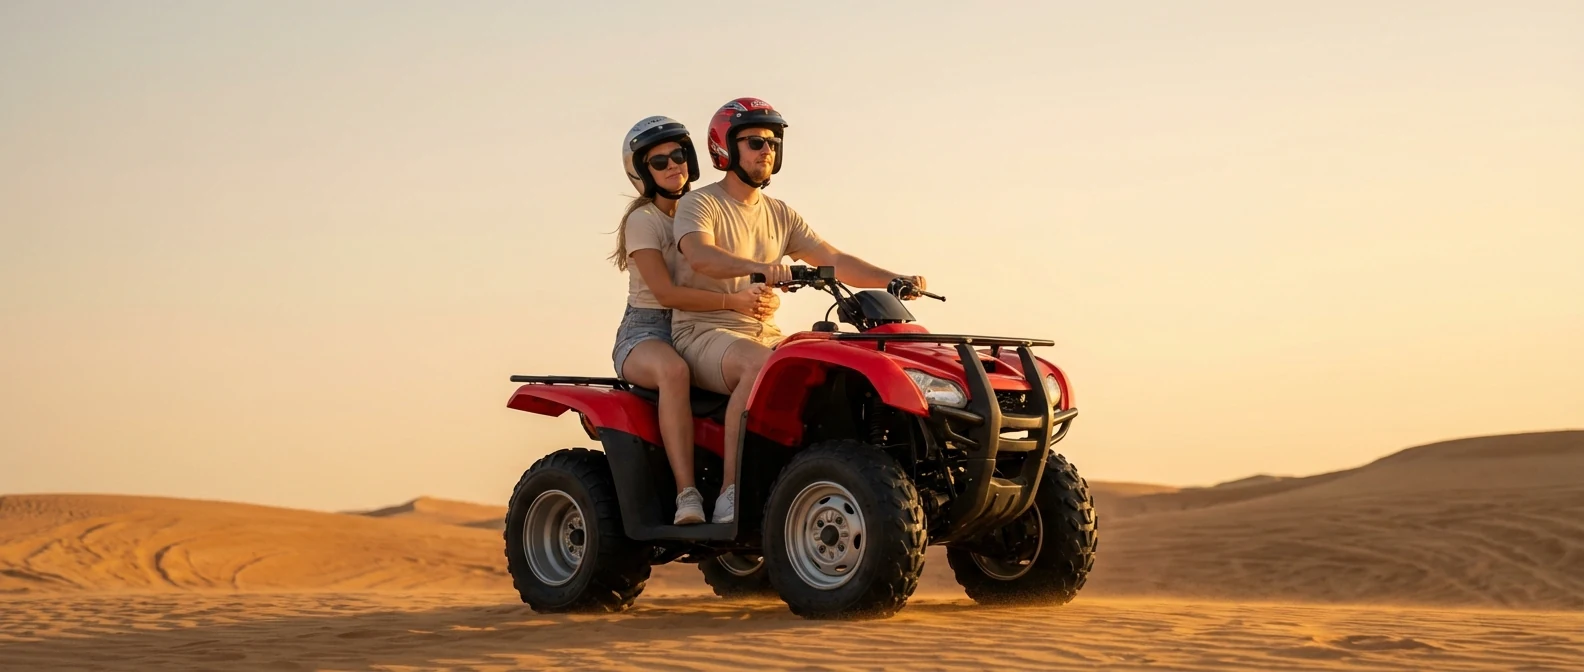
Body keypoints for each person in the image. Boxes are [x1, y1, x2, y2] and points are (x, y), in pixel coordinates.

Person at [671, 98, 926, 523]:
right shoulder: (700, 205)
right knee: (762, 368)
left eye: (773, 143)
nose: (766, 150)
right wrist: (761, 269)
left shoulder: (780, 214)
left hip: (761, 331)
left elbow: (834, 258)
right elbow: (700, 256)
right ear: (726, 149)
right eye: (754, 142)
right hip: (702, 331)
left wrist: (892, 278)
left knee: (830, 363)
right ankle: (731, 495)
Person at [610, 115, 778, 525]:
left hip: (704, 323)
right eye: (659, 162)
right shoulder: (644, 220)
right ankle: (687, 494)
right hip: (648, 328)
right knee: (673, 371)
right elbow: (665, 294)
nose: (673, 166)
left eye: (679, 155)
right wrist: (734, 301)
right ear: (642, 173)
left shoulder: (704, 208)